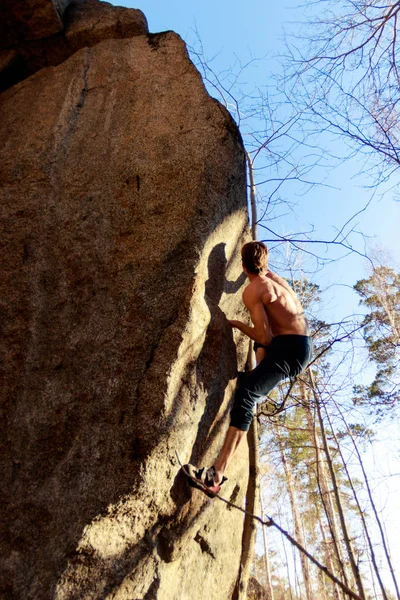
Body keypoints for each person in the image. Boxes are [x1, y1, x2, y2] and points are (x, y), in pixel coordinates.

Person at [185, 241, 312, 496]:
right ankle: (257, 380)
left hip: (289, 351)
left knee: (246, 395)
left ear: (243, 266)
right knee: (253, 376)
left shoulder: (253, 291)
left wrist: (235, 323)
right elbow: (266, 333)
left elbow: (263, 338)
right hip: (299, 344)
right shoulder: (277, 281)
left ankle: (214, 476)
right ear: (263, 262)